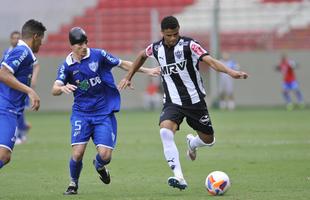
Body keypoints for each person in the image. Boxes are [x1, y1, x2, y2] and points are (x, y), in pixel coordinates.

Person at [118, 16, 248, 190]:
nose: (173, 38)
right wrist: (128, 76)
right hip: (172, 101)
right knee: (165, 131)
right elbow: (142, 55)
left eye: (176, 34)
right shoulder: (156, 48)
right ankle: (179, 177)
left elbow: (210, 61)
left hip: (195, 102)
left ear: (179, 30)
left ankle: (192, 144)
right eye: (169, 35)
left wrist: (231, 72)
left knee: (209, 140)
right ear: (162, 33)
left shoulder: (190, 45)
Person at [51, 27, 160, 195]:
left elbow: (122, 63)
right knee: (78, 153)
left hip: (103, 114)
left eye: (85, 42)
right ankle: (73, 184)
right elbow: (54, 89)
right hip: (81, 114)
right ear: (72, 46)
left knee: (105, 156)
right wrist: (62, 87)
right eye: (79, 44)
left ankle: (99, 165)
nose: (84, 46)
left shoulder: (98, 55)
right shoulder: (67, 66)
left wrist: (147, 70)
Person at [0, 19, 46, 169]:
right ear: (35, 37)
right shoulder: (22, 51)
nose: (42, 43)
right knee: (4, 155)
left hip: (8, 108)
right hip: (6, 109)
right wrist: (29, 90)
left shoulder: (20, 52)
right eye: (41, 39)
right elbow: (3, 74)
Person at [1, 31, 41, 144]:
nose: (15, 40)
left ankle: (20, 131)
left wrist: (33, 79)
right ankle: (21, 130)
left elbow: (36, 65)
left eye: (18, 38)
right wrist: (29, 90)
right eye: (13, 38)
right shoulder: (13, 51)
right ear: (10, 39)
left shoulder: (25, 51)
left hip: (17, 91)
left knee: (19, 109)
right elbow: (3, 73)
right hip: (8, 94)